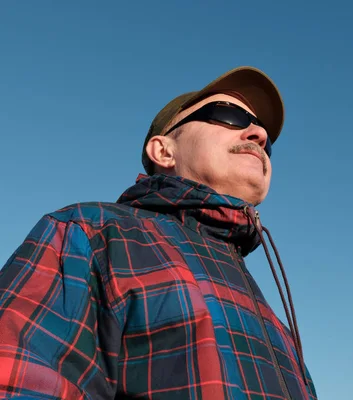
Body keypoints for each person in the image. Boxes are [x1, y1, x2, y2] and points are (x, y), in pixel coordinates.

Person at [0, 66, 317, 399]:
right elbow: (18, 377)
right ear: (164, 151)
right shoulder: (92, 231)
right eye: (229, 115)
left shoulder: (271, 313)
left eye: (266, 137)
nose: (259, 136)